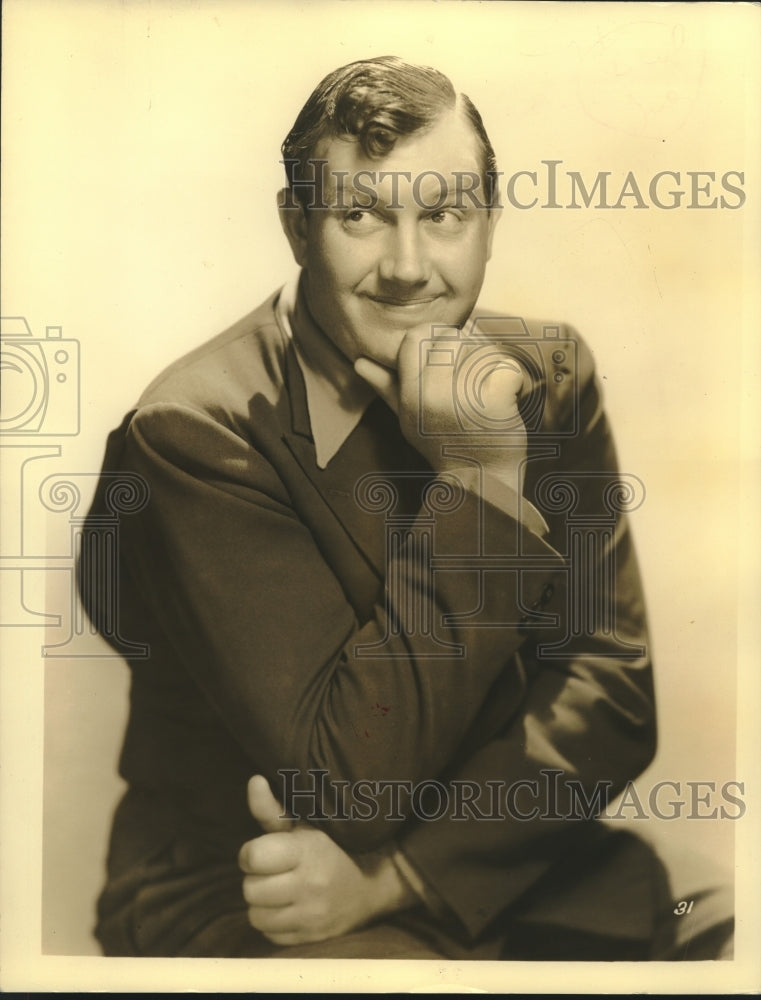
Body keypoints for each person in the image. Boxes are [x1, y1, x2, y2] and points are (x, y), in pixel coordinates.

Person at [79, 56, 733, 960]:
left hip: (496, 852)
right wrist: (479, 473)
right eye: (360, 215)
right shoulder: (194, 431)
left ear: (489, 225)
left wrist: (401, 877)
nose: (407, 267)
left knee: (725, 929)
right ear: (297, 226)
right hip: (260, 880)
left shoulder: (550, 374)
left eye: (443, 215)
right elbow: (345, 787)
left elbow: (609, 693)